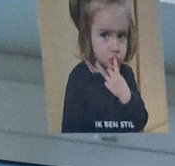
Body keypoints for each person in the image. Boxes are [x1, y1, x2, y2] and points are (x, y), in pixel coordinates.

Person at [61, 0, 147, 135]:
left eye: (121, 35)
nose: (115, 47)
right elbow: (69, 129)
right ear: (88, 37)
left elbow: (141, 120)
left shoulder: (126, 74)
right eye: (105, 35)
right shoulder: (79, 77)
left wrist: (126, 95)